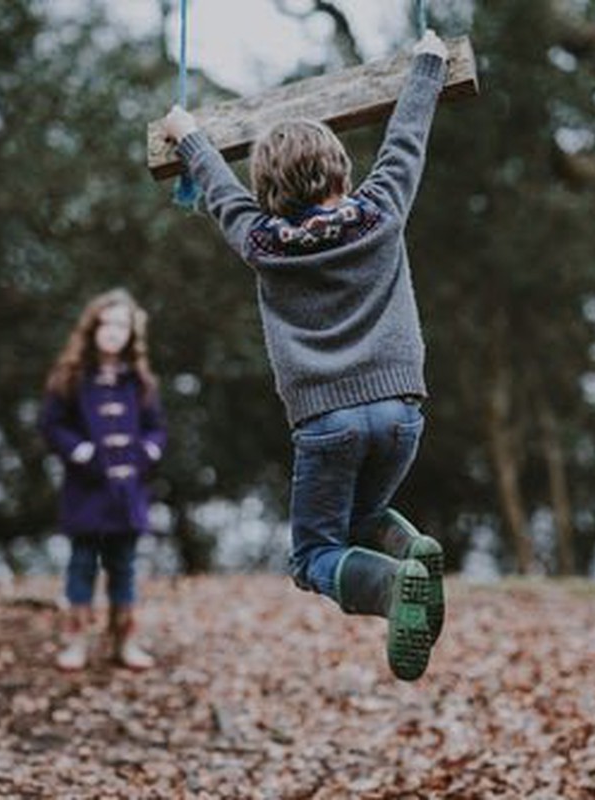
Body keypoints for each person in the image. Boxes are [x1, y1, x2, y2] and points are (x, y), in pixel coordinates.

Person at [161, 30, 448, 681]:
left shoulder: (262, 240)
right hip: (402, 413)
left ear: (270, 191)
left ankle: (395, 586)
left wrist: (188, 133)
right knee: (365, 517)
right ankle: (413, 550)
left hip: (327, 422)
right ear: (343, 169)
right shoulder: (383, 211)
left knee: (314, 555)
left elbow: (216, 188)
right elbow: (407, 137)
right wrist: (428, 60)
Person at [40, 288, 167, 671]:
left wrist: (147, 452)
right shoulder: (70, 377)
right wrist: (82, 452)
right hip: (86, 491)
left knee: (124, 567)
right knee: (81, 565)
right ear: (92, 328)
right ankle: (76, 642)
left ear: (132, 333)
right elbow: (51, 424)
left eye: (122, 325)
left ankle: (123, 643)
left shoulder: (140, 381)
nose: (113, 332)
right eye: (106, 323)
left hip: (127, 493)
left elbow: (156, 428)